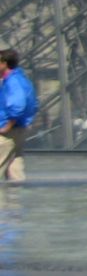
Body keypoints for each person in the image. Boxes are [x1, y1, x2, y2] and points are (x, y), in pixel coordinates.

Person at [0, 50, 39, 182]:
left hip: (7, 132)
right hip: (19, 129)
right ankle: (15, 195)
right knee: (14, 171)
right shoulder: (22, 79)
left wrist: (7, 126)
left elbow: (18, 105)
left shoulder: (12, 82)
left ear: (4, 64)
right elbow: (35, 105)